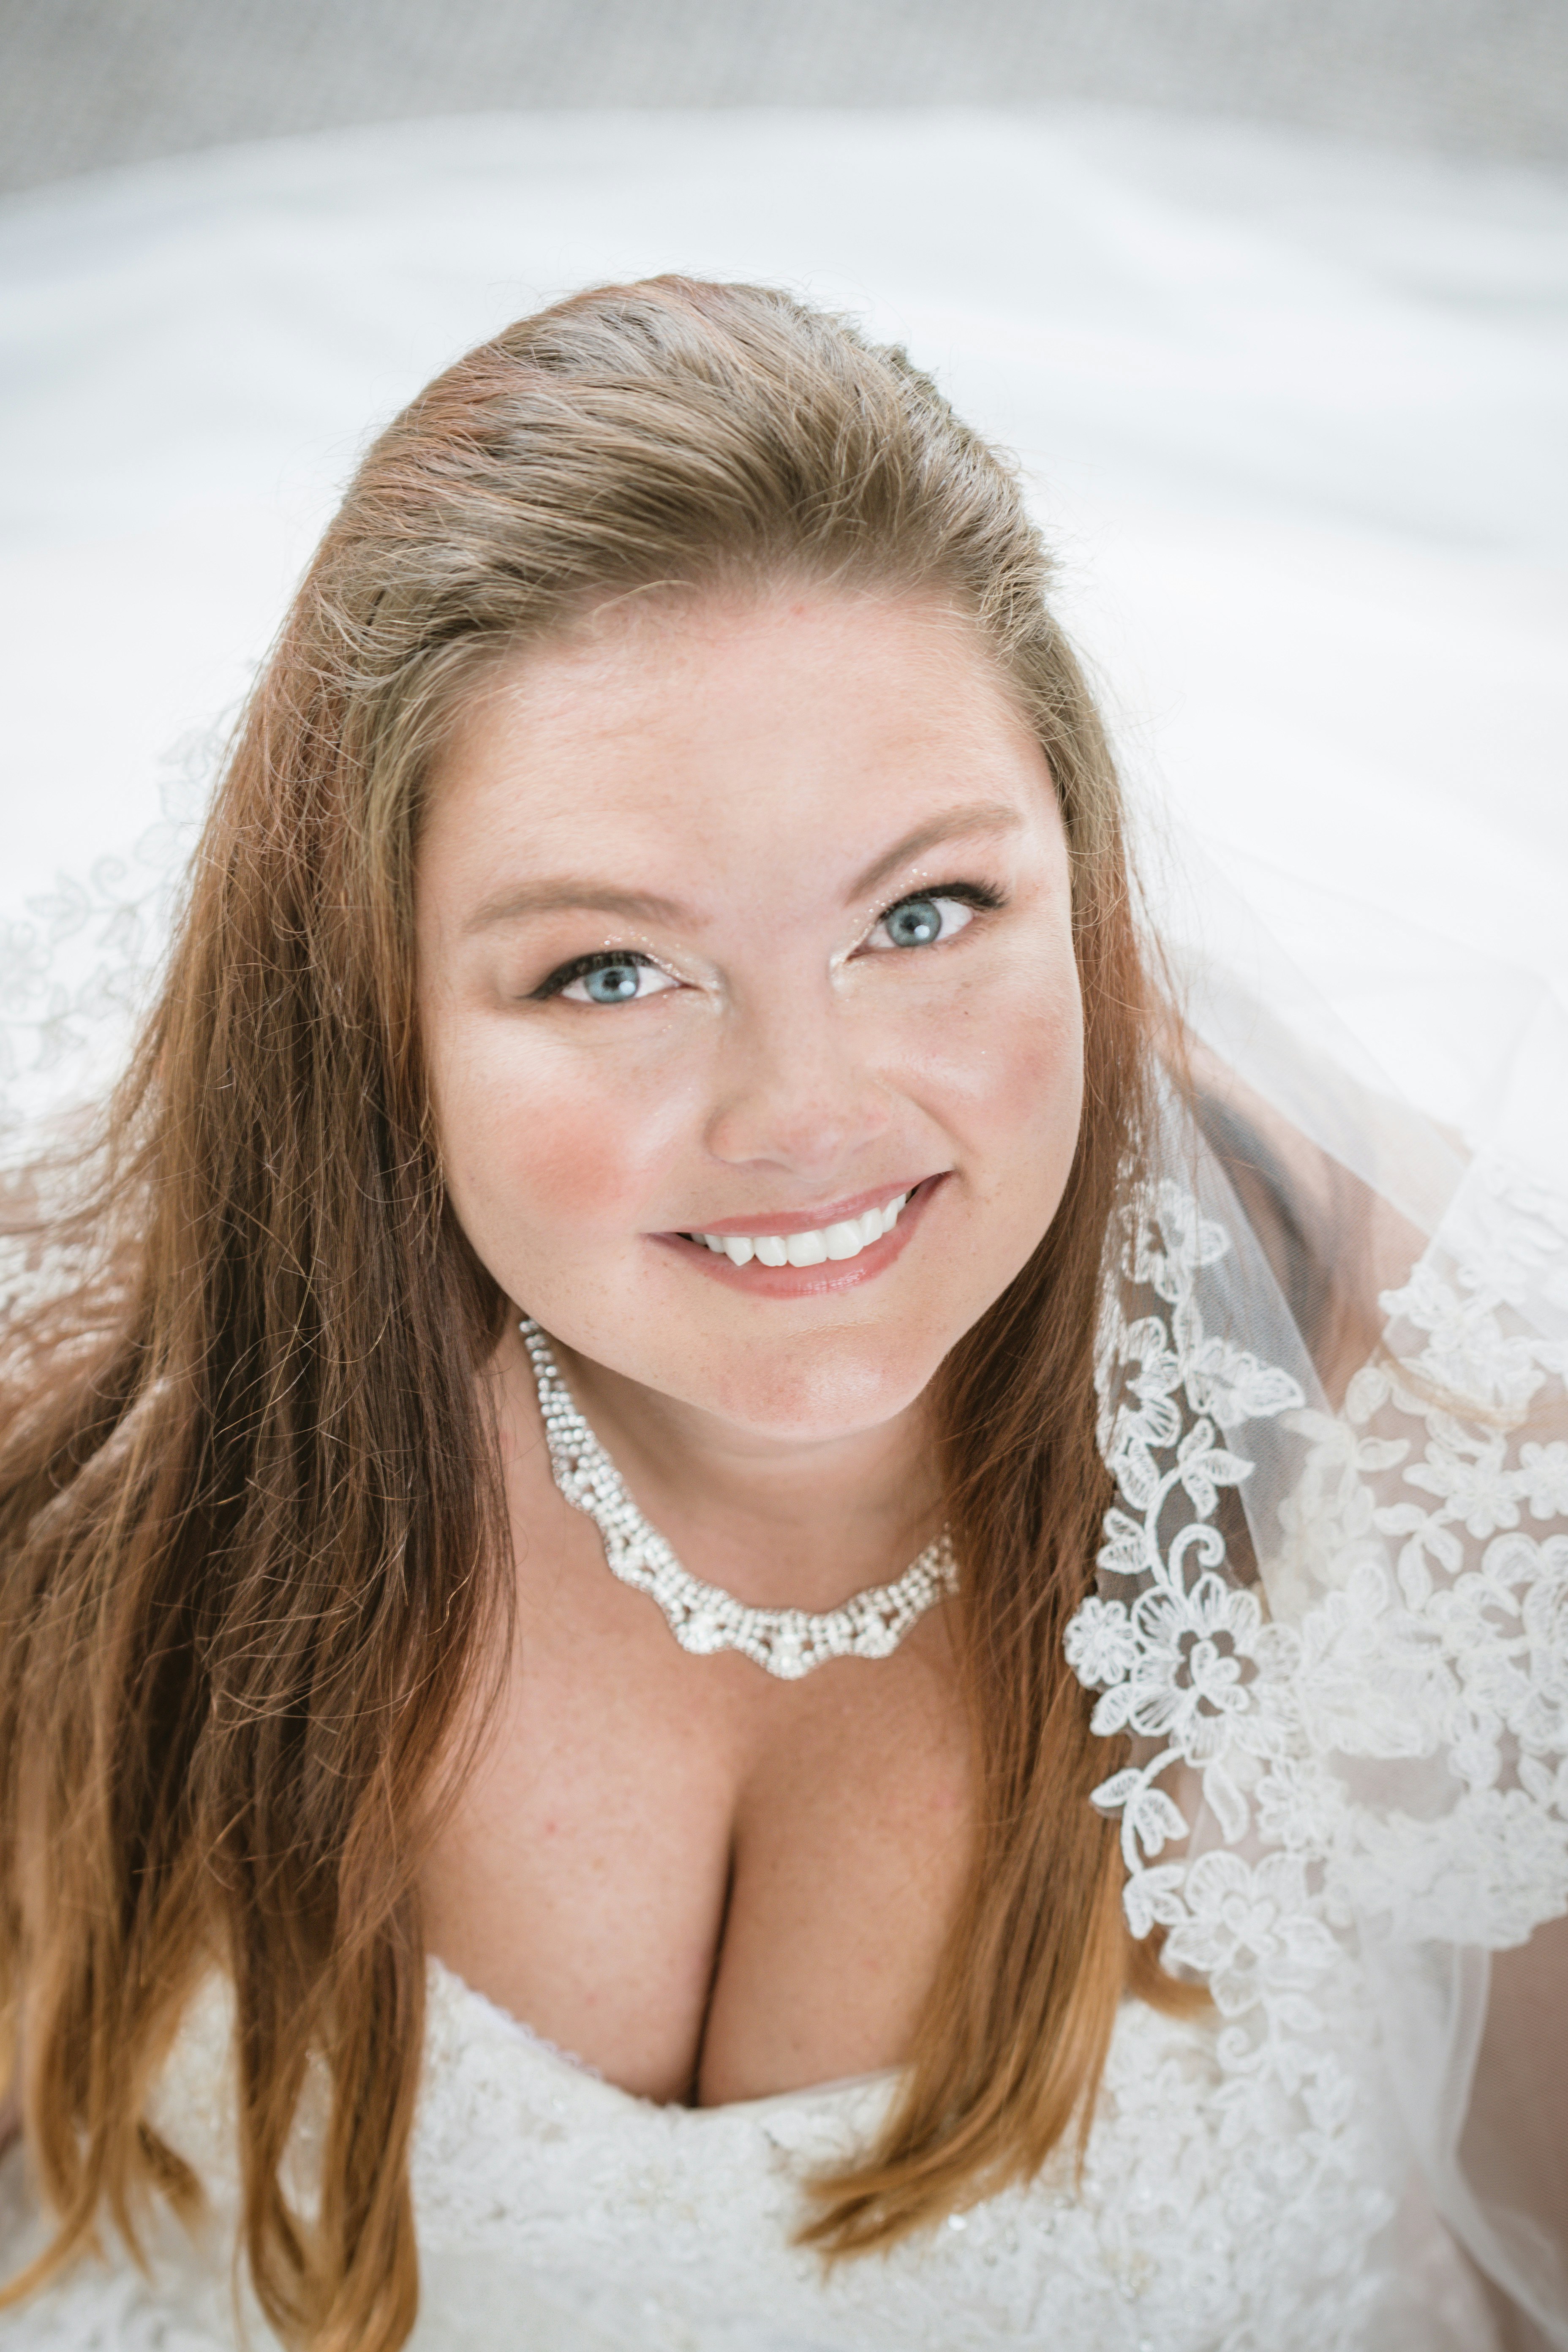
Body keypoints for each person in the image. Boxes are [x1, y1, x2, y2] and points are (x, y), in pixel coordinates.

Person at [0, 276, 1564, 2352]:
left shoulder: (1456, 1468)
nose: (807, 1118)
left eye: (925, 914)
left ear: (1083, 898)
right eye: (608, 971)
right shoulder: (92, 1420)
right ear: (373, 1007)